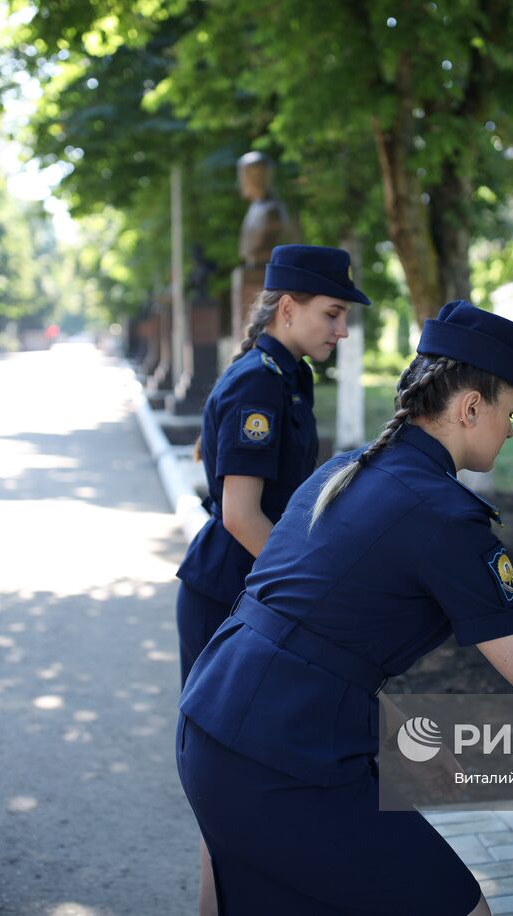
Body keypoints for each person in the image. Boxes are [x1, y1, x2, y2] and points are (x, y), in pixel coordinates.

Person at [177, 300, 513, 914]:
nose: (510, 430)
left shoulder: (347, 470)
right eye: (508, 413)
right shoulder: (443, 517)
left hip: (215, 723)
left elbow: (318, 623)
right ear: (469, 408)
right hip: (279, 757)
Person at [175, 244, 367, 915]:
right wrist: (308, 596)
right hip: (232, 592)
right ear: (287, 307)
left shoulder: (285, 374)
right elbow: (240, 516)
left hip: (253, 590)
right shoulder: (260, 380)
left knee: (239, 784)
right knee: (227, 782)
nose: (340, 331)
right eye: (332, 314)